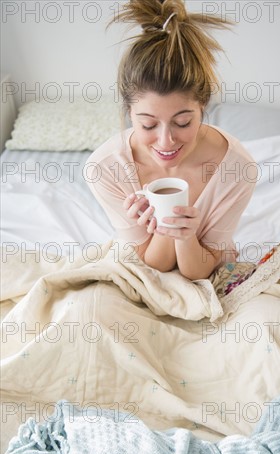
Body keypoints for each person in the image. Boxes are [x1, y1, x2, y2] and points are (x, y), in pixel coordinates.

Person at [84, 0, 257, 280]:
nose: (166, 142)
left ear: (202, 106)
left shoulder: (237, 168)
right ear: (129, 112)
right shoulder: (104, 169)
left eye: (182, 122)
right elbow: (154, 265)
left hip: (209, 272)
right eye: (148, 124)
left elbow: (200, 270)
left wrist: (186, 237)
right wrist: (165, 227)